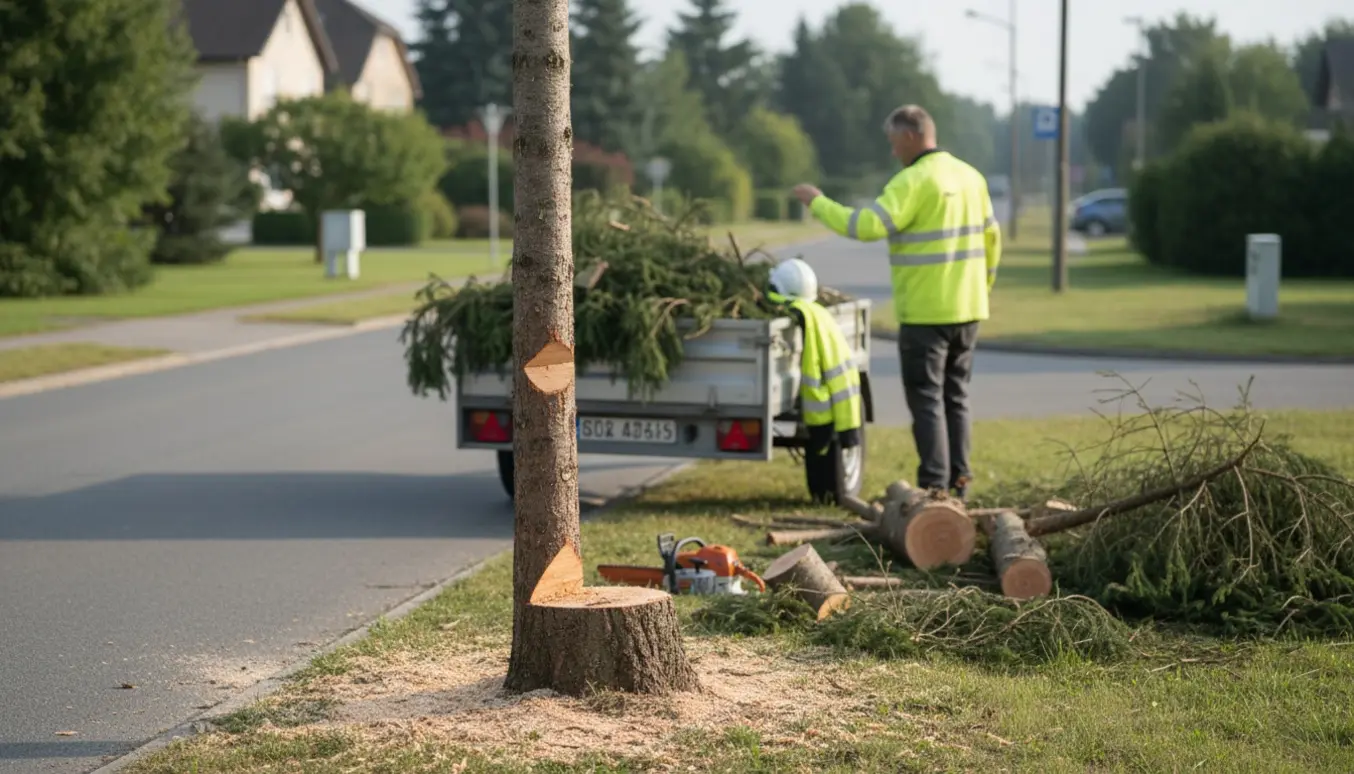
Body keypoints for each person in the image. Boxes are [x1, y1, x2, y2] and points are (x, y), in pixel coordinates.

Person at [789, 104, 1001, 502]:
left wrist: (818, 202)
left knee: (926, 400)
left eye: (893, 142)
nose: (892, 152)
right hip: (969, 310)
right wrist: (981, 288)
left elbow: (865, 226)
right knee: (956, 397)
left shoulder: (913, 182)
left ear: (910, 136)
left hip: (925, 313)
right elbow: (993, 240)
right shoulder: (972, 177)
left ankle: (934, 486)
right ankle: (960, 481)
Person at [766, 258, 864, 503]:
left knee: (823, 463)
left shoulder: (809, 319)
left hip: (821, 414)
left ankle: (826, 493)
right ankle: (825, 494)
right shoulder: (821, 318)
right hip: (828, 413)